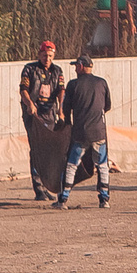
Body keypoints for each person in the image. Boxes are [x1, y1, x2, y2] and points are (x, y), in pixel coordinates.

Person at [18, 39, 68, 203]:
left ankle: (47, 186)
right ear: (39, 54)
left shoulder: (57, 71)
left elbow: (61, 90)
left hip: (50, 114)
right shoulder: (30, 69)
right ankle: (38, 188)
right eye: (45, 55)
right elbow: (23, 90)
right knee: (37, 149)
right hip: (34, 115)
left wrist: (61, 110)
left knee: (49, 151)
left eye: (50, 56)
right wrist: (30, 105)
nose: (47, 59)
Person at [59, 53, 112, 209]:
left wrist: (68, 125)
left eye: (76, 66)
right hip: (99, 132)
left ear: (81, 66)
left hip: (80, 133)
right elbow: (107, 106)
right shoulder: (102, 83)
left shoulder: (73, 85)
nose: (75, 69)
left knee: (71, 165)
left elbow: (66, 109)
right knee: (102, 165)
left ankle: (63, 198)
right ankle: (104, 199)